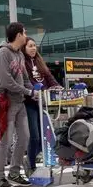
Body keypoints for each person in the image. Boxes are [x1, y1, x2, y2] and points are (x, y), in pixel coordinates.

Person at [0, 22, 36, 187]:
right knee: (6, 140)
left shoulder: (19, 55)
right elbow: (6, 81)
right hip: (6, 102)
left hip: (19, 102)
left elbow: (24, 79)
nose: (26, 36)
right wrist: (28, 91)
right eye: (24, 33)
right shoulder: (3, 53)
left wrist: (33, 91)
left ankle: (15, 172)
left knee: (24, 137)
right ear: (18, 35)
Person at [22, 37, 58, 174]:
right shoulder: (23, 63)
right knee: (35, 136)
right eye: (30, 46)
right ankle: (30, 164)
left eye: (34, 45)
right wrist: (35, 91)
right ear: (24, 48)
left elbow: (49, 78)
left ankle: (30, 159)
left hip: (42, 103)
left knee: (45, 135)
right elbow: (27, 83)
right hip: (29, 103)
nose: (33, 48)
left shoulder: (39, 62)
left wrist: (56, 87)